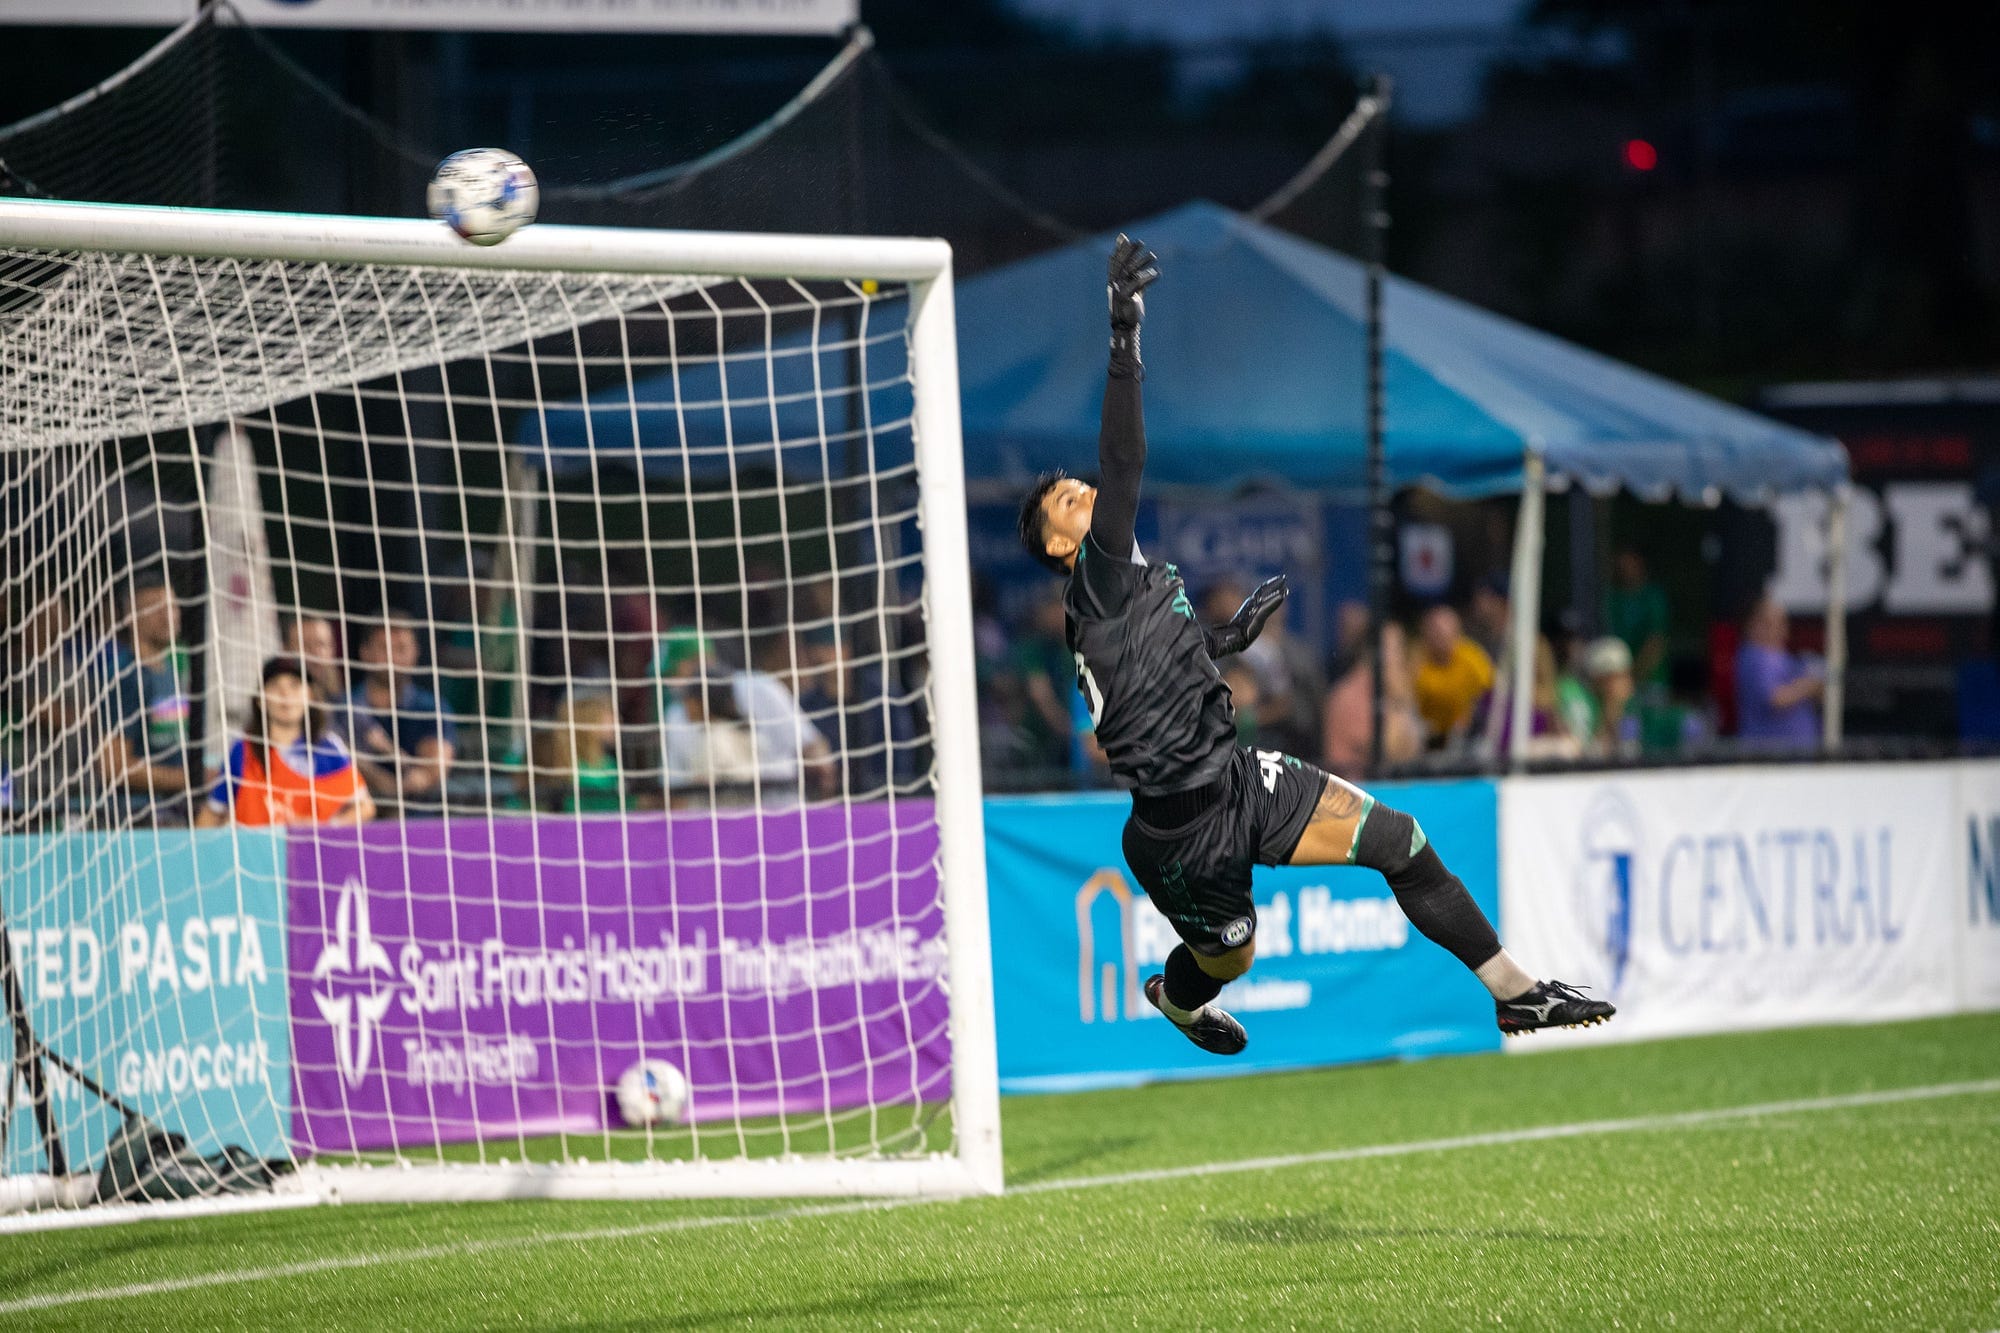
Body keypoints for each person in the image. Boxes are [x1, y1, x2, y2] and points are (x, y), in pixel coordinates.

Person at [1015, 235, 1612, 1054]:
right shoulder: (1100, 575)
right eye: (1069, 504)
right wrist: (1124, 330)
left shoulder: (1131, 586)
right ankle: (1180, 999)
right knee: (1228, 957)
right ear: (1059, 548)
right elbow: (1125, 455)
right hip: (1179, 832)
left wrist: (1227, 636)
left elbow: (1152, 677)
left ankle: (1515, 993)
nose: (1087, 496)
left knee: (1399, 839)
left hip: (1238, 779)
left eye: (1080, 492)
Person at [197, 656, 374, 827]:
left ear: (310, 696)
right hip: (256, 853)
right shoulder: (243, 750)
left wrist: (326, 827)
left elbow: (364, 806)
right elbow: (213, 812)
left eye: (295, 685)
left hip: (314, 853)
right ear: (260, 700)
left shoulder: (328, 747)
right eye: (275, 686)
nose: (285, 694)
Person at [98, 575, 200, 825]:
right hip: (138, 816)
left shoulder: (176, 667)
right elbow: (114, 767)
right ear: (130, 616)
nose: (169, 615)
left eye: (173, 606)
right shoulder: (125, 675)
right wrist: (188, 779)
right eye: (156, 607)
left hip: (179, 807)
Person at [345, 614, 458, 814]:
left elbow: (431, 772)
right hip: (353, 818)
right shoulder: (342, 708)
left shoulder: (432, 709)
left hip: (419, 821)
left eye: (401, 649)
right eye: (384, 648)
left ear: (416, 652)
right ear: (365, 652)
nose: (392, 658)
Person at [1735, 595, 1823, 747]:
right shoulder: (1754, 656)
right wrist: (1810, 685)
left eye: (1780, 622)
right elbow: (1776, 699)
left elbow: (1820, 697)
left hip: (1797, 756)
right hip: (1769, 757)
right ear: (1750, 625)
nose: (1775, 628)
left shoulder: (1787, 658)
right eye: (1766, 622)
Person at [1410, 602, 1494, 750]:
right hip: (1426, 736)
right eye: (1435, 632)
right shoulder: (1416, 661)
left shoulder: (1472, 659)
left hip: (1466, 735)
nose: (1441, 638)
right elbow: (1406, 702)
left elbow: (1491, 695)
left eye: (1445, 633)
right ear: (1425, 634)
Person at [535, 690, 624, 814]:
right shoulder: (569, 765)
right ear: (589, 721)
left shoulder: (609, 763)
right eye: (609, 715)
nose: (618, 720)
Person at [1606, 546, 1671, 693]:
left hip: (1650, 681)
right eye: (1620, 564)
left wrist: (1634, 675)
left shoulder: (1653, 598)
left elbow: (1656, 641)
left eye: (1629, 563)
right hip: (1617, 682)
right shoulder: (1611, 598)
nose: (1624, 568)